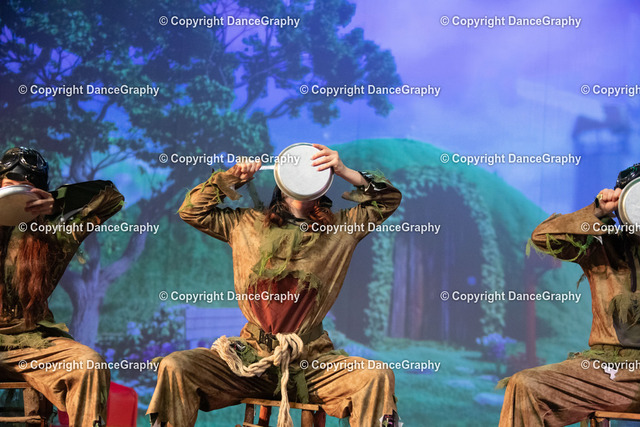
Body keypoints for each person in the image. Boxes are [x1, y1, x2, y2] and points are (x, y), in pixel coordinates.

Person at [148, 144, 402, 427]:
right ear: (282, 179)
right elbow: (191, 211)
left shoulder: (340, 229)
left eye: (313, 173)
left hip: (311, 364)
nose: (304, 178)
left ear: (324, 184)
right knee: (176, 367)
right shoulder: (246, 223)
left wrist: (344, 171)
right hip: (250, 361)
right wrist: (232, 178)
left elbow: (388, 199)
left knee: (375, 376)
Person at [499, 163, 640, 426]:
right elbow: (542, 237)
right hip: (609, 372)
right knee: (526, 386)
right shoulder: (601, 243)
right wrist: (597, 211)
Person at [0, 147, 124, 426]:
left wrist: (57, 202)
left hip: (32, 342)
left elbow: (112, 198)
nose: (16, 194)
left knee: (88, 365)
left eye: (27, 189)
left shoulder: (55, 233)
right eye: (10, 185)